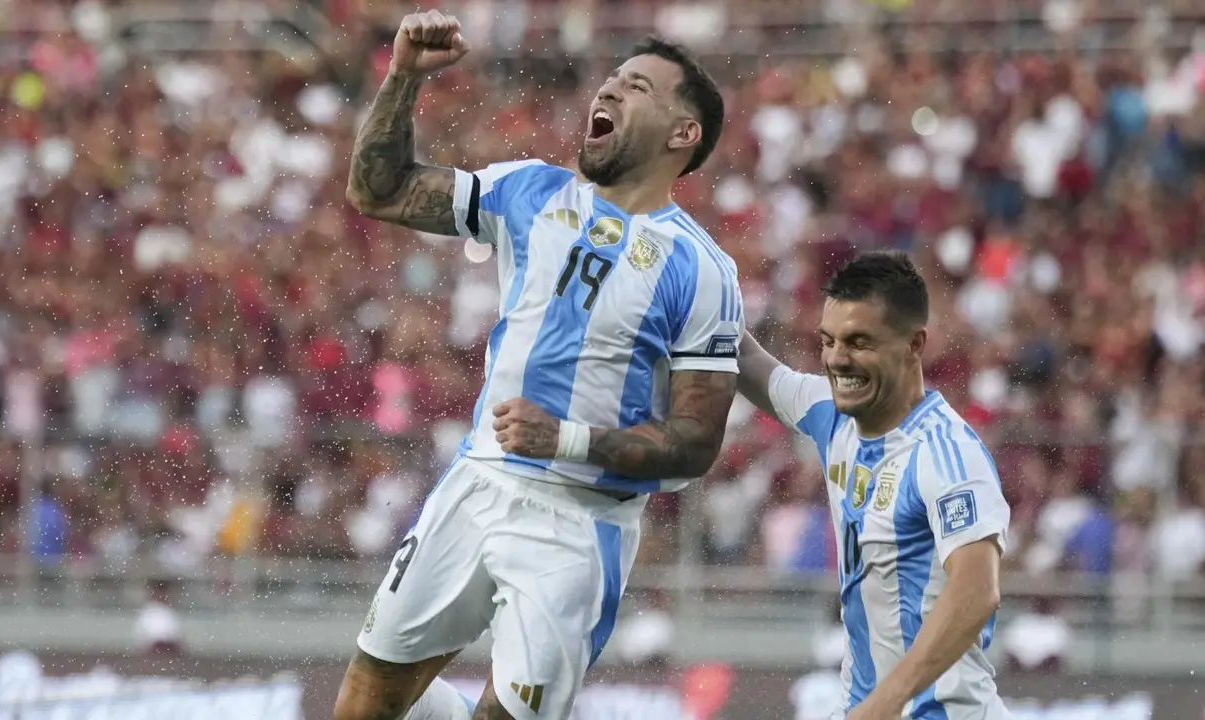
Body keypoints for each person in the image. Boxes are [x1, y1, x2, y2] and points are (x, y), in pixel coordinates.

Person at [336, 11, 739, 720]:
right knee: (365, 704)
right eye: (610, 80)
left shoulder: (701, 269)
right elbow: (379, 190)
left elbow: (697, 442)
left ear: (683, 134)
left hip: (579, 524)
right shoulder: (529, 191)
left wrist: (568, 441)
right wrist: (402, 77)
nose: (608, 92)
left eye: (637, 86)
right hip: (477, 481)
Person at [736, 251, 1012, 720]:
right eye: (829, 341)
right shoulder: (834, 416)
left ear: (914, 344)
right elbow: (747, 361)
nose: (837, 360)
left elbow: (976, 591)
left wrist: (887, 701)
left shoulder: (945, 454)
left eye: (859, 342)